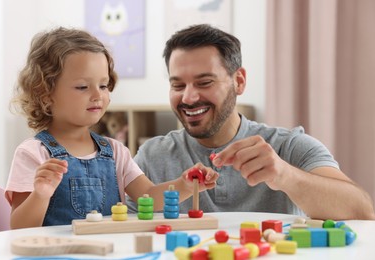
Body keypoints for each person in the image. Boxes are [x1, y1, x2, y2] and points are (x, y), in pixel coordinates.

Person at [132, 24, 375, 220]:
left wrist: (285, 175)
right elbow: (121, 231)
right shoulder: (152, 156)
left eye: (204, 82)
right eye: (177, 85)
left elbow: (362, 211)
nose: (188, 97)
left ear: (239, 81)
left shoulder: (289, 147)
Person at [5, 27, 219, 229]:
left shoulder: (116, 152)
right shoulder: (33, 153)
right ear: (46, 95)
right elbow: (19, 228)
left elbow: (148, 195)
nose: (98, 95)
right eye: (82, 87)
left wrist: (185, 185)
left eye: (104, 85)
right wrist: (40, 195)